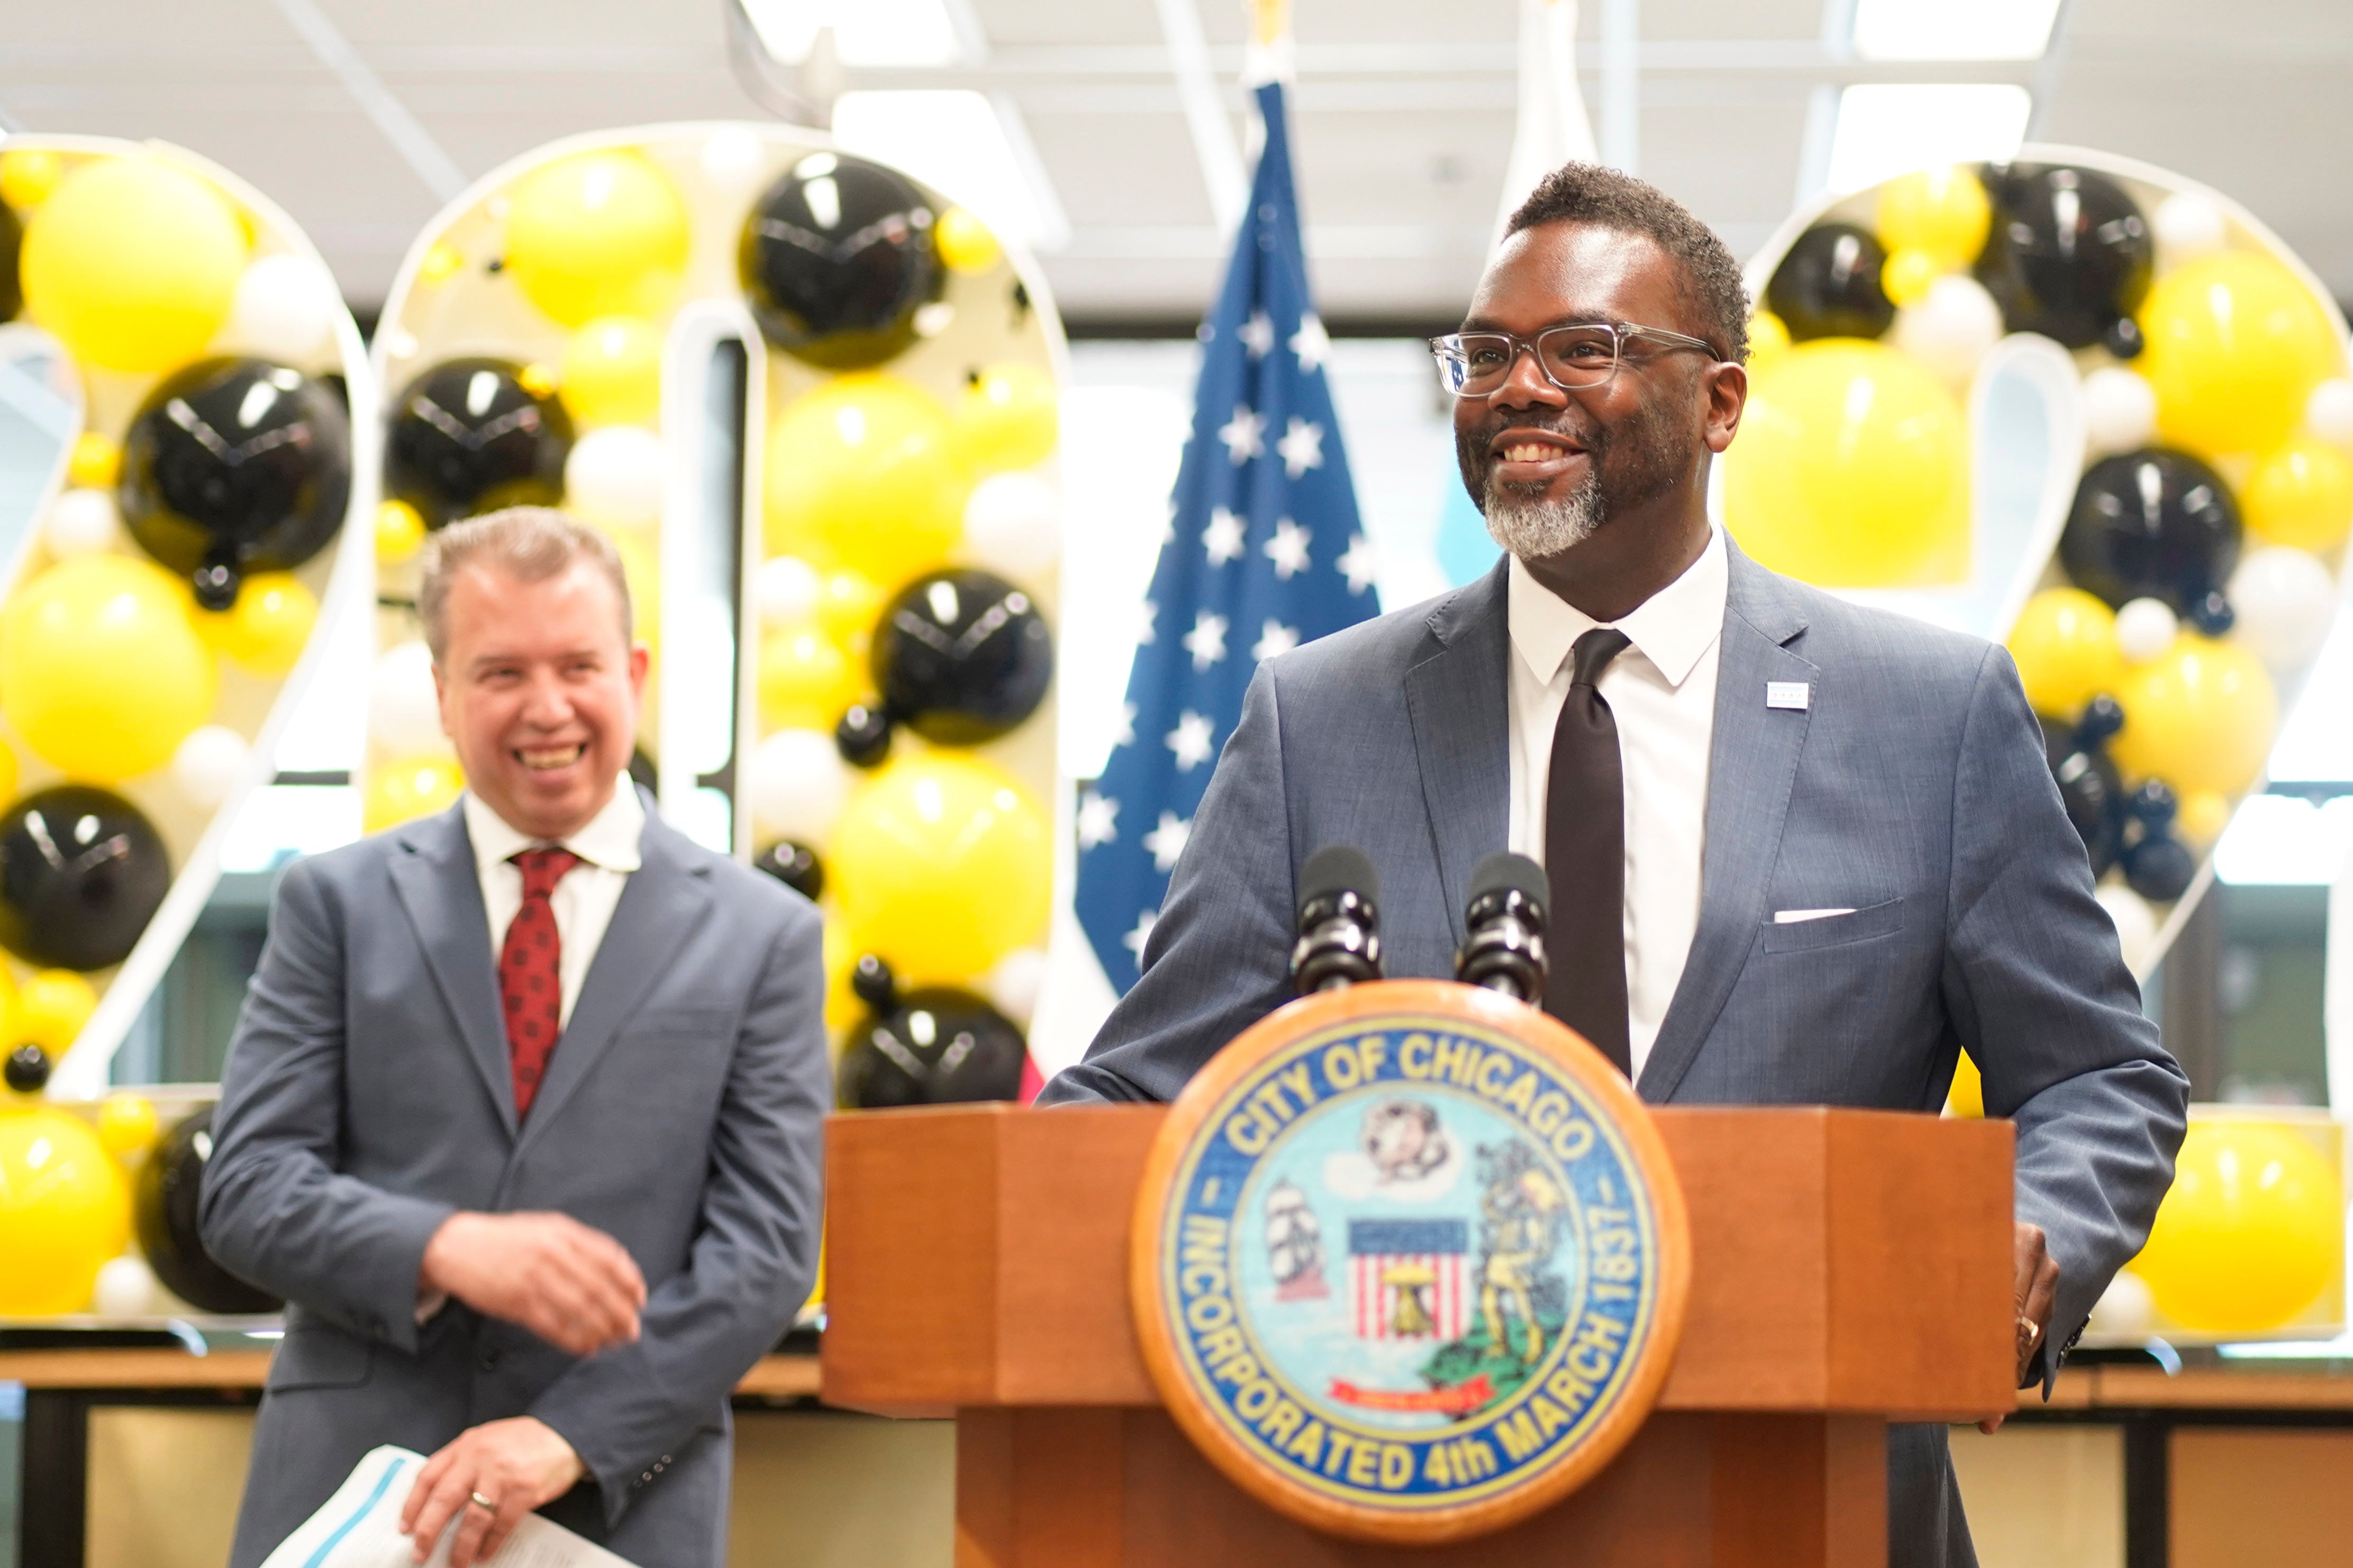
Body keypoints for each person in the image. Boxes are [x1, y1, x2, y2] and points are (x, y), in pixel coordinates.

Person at [1040, 163, 2188, 1567]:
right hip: (1413, 1493)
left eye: (1584, 346)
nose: (1521, 386)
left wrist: (2029, 1236)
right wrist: (1005, 1183)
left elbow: (2098, 1074)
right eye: (1487, 353)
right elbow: (1149, 1083)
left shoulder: (1928, 716)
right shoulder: (1321, 715)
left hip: (1809, 1500)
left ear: (1721, 401)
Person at [203, 508, 828, 1568]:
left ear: (633, 672)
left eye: (578, 664)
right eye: (500, 674)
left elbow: (765, 1253)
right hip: (356, 1498)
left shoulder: (765, 934)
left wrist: (567, 1437)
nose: (548, 709)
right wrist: (447, 1247)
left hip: (617, 1502)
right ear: (442, 695)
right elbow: (247, 1190)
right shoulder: (333, 904)